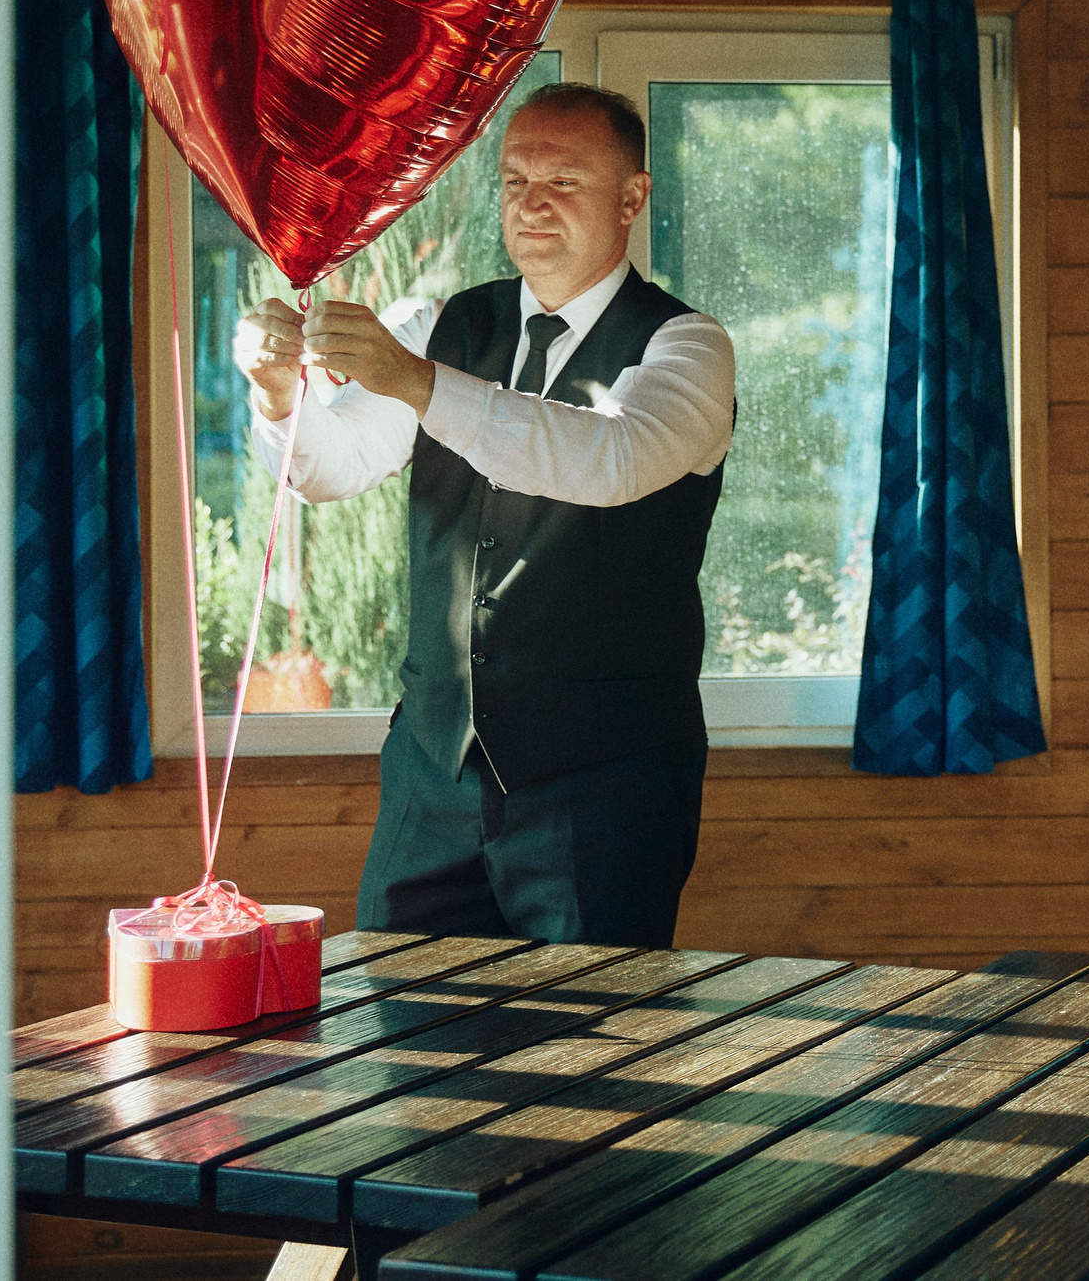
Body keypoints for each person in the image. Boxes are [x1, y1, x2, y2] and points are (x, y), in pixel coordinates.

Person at [232, 83, 734, 950]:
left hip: (604, 787)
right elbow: (330, 468)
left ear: (633, 198)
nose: (530, 202)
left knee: (592, 1062)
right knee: (395, 1040)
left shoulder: (686, 347)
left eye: (564, 180)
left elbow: (608, 459)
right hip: (431, 778)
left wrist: (418, 383)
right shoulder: (439, 324)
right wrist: (280, 396)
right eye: (513, 180)